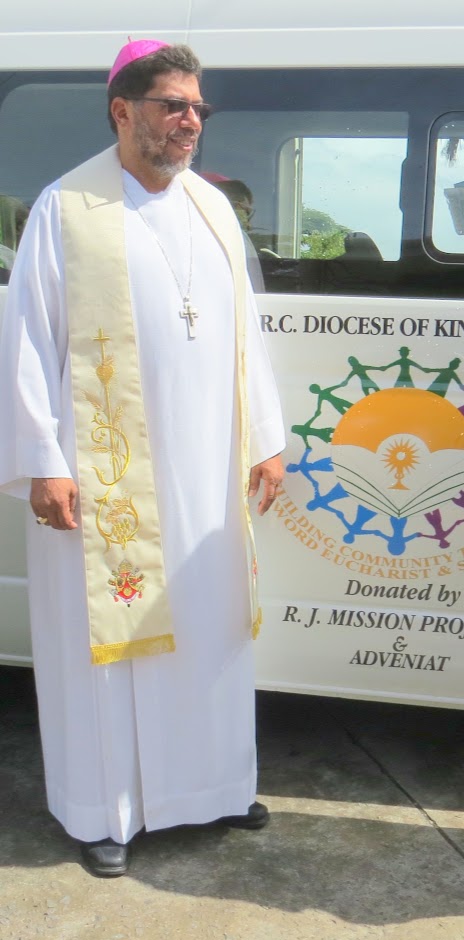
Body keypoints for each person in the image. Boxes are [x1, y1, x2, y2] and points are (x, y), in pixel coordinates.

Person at [0, 39, 286, 878]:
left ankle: (215, 788)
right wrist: (44, 459)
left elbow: (245, 331)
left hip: (208, 471)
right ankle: (106, 810)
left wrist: (267, 438)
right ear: (123, 111)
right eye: (173, 105)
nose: (190, 121)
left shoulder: (213, 208)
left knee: (208, 623)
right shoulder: (67, 207)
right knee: (112, 639)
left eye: (198, 107)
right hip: (103, 480)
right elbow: (27, 341)